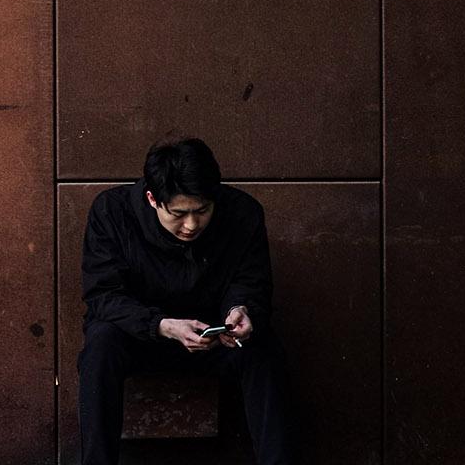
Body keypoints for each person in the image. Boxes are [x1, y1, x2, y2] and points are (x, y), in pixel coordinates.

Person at [78, 137, 300, 465]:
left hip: (214, 340)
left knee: (263, 348)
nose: (191, 225)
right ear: (153, 199)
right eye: (179, 213)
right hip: (141, 338)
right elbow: (103, 297)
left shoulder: (243, 212)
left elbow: (251, 282)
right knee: (100, 345)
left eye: (202, 210)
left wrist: (240, 310)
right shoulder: (112, 212)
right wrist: (162, 326)